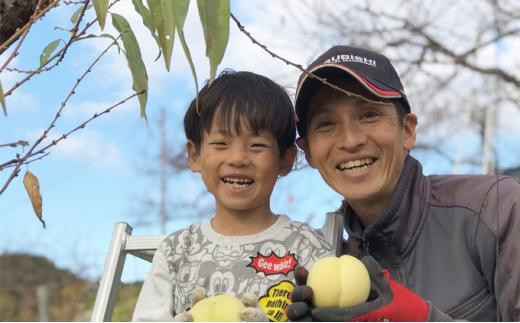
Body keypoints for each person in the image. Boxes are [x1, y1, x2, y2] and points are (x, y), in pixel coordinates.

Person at [286, 46, 520, 321]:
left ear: (407, 130)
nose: (350, 140)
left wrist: (423, 318)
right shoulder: (321, 261)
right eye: (326, 123)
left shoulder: (498, 207)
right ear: (309, 151)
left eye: (369, 114)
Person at [132, 70, 334, 321]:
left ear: (285, 159)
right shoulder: (176, 251)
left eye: (257, 145)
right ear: (195, 155)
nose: (238, 158)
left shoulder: (306, 246)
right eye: (221, 143)